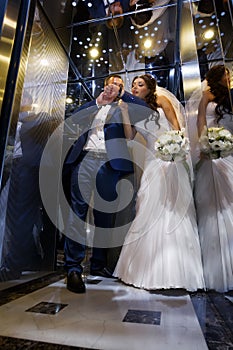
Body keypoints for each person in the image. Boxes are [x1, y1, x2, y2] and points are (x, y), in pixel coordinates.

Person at [113, 74, 205, 291]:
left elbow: (176, 127)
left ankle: (178, 267)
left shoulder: (161, 100)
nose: (135, 88)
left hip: (171, 158)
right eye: (133, 85)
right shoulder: (133, 109)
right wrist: (125, 112)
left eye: (140, 84)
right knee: (148, 205)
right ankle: (144, 268)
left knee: (174, 206)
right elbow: (129, 136)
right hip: (152, 161)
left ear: (149, 87)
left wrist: (175, 148)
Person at [63, 74, 148, 294]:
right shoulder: (93, 104)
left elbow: (144, 107)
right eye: (112, 84)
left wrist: (121, 96)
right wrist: (97, 102)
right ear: (104, 86)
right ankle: (73, 268)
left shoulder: (127, 108)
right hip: (85, 159)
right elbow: (73, 119)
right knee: (77, 212)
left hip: (110, 164)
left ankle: (98, 264)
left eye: (119, 86)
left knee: (105, 216)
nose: (115, 88)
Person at [0, 91, 60, 281]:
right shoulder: (10, 121)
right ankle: (18, 260)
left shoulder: (37, 118)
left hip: (29, 170)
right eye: (20, 99)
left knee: (23, 217)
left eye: (26, 98)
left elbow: (54, 117)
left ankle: (15, 265)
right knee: (13, 217)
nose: (23, 102)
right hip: (13, 169)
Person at [194, 64, 233, 292]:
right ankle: (214, 265)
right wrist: (204, 143)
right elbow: (201, 120)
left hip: (228, 150)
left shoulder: (230, 98)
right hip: (211, 151)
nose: (229, 79)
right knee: (211, 204)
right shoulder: (207, 95)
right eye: (226, 75)